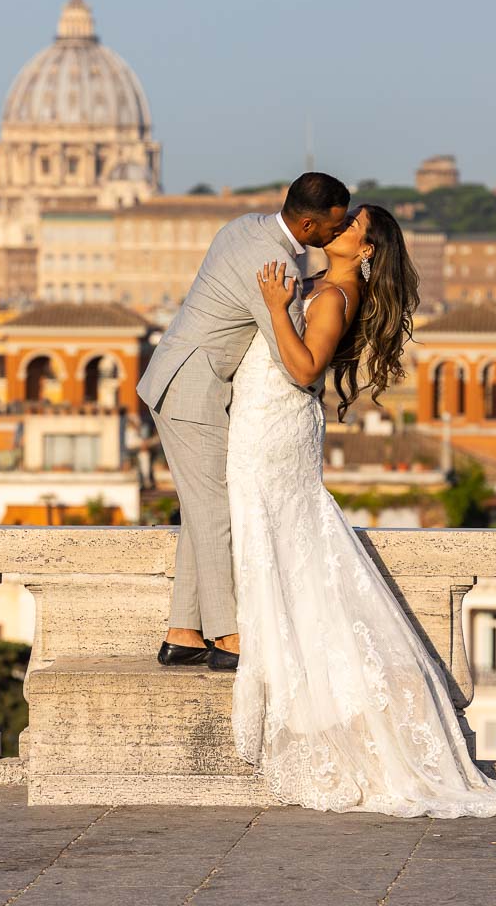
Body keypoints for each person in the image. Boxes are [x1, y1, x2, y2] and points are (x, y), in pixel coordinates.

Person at [226, 203, 496, 817]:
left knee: (285, 539)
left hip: (273, 427)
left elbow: (305, 369)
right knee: (278, 541)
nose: (338, 228)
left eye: (352, 225)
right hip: (262, 422)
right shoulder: (324, 282)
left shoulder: (334, 294)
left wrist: (278, 309)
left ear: (365, 251)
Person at [137, 172, 350, 669]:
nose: (335, 236)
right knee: (216, 511)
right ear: (308, 223)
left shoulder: (246, 227)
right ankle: (226, 635)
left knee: (200, 506)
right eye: (332, 228)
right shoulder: (273, 264)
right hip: (194, 389)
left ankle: (183, 631)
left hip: (181, 376)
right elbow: (291, 359)